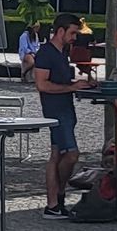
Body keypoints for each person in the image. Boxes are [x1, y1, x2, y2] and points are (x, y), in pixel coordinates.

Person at [34, 13, 96, 218]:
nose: (74, 38)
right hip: (55, 111)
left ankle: (54, 203)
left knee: (58, 154)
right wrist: (71, 87)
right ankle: (57, 197)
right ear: (60, 31)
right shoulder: (46, 53)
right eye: (72, 33)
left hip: (64, 109)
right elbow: (42, 85)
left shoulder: (61, 52)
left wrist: (79, 85)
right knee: (70, 154)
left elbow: (60, 82)